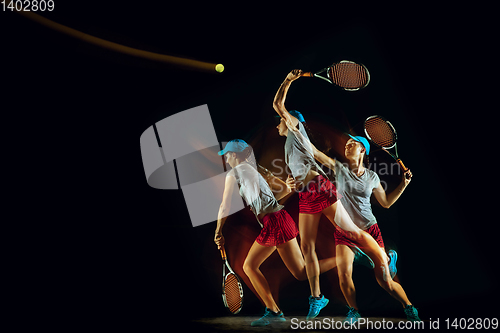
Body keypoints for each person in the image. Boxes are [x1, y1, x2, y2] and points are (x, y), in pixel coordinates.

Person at [273, 69, 391, 320]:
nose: (278, 123)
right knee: (307, 246)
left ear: (292, 120)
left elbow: (278, 104)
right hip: (306, 192)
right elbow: (298, 170)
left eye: (281, 120)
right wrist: (291, 182)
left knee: (352, 233)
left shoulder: (295, 127)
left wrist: (288, 80)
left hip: (320, 187)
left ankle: (384, 255)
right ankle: (317, 297)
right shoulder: (290, 143)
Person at [214, 139, 336, 326]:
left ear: (235, 155)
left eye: (228, 155)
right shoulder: (255, 170)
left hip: (274, 222)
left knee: (249, 266)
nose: (227, 159)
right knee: (302, 272)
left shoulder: (234, 174)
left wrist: (218, 231)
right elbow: (284, 190)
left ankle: (273, 311)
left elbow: (225, 206)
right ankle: (348, 257)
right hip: (280, 218)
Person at [311, 131, 421, 322]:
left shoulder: (372, 177)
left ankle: (409, 307)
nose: (347, 145)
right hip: (345, 232)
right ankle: (354, 311)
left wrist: (403, 184)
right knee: (343, 274)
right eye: (346, 143)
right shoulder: (340, 169)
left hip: (369, 230)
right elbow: (314, 152)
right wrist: (294, 128)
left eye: (351, 143)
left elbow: (385, 203)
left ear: (362, 149)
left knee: (385, 282)